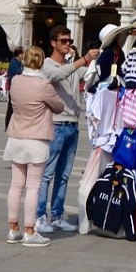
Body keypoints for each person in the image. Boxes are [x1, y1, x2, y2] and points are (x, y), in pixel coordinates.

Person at [36, 28, 97, 234]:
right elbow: (58, 74)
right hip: (56, 124)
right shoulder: (47, 65)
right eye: (63, 40)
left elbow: (84, 73)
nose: (67, 44)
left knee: (63, 175)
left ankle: (57, 215)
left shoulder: (70, 65)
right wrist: (83, 59)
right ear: (53, 43)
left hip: (72, 124)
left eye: (69, 40)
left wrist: (99, 58)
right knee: (47, 174)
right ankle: (39, 216)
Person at [4, 46, 64, 247]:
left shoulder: (16, 81)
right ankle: (30, 230)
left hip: (16, 136)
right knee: (33, 187)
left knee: (15, 185)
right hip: (36, 139)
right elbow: (59, 106)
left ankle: (13, 228)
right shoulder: (44, 84)